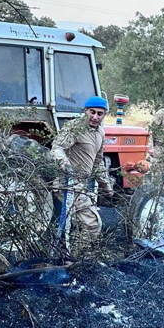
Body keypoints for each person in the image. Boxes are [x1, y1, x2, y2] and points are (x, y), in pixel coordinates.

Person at [50, 96, 114, 254]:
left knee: (80, 225)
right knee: (92, 224)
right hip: (67, 183)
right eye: (92, 112)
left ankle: (71, 255)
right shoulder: (75, 127)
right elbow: (57, 147)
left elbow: (98, 162)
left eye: (100, 114)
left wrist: (107, 186)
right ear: (85, 111)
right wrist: (65, 164)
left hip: (81, 185)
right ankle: (76, 258)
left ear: (104, 115)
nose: (95, 117)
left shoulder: (100, 133)